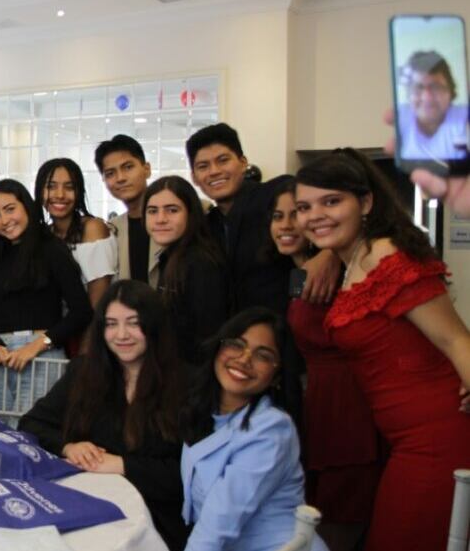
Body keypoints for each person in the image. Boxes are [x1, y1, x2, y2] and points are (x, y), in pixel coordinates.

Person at [295, 149, 470, 551]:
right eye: (305, 207)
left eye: (332, 201)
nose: (314, 215)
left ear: (367, 202)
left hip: (435, 435)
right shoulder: (351, 257)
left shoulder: (385, 254)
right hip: (402, 437)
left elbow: (455, 339)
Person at [20, 280, 187, 550]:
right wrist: (69, 446)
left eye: (134, 322)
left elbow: (190, 476)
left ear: (154, 324)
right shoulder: (84, 372)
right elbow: (30, 424)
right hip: (83, 509)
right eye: (111, 324)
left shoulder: (184, 384)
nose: (122, 334)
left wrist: (123, 465)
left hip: (154, 522)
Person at [268, 179, 381, 551]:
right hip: (313, 405)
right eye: (277, 216)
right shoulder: (294, 273)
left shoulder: (341, 268)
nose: (286, 225)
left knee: (336, 527)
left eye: (294, 214)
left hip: (347, 411)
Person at [180, 308, 325, 551]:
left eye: (263, 355)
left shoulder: (272, 429)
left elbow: (220, 518)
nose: (245, 359)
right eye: (237, 344)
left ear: (276, 375)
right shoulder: (206, 412)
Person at [186, 123, 338, 313]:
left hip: (291, 324)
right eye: (203, 166)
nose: (214, 171)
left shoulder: (279, 194)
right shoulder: (206, 226)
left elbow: (335, 217)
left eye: (223, 160)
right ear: (194, 177)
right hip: (238, 334)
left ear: (243, 163)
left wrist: (330, 254)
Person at [0, 179, 91, 417]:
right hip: (1, 362)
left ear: (27, 207)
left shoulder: (52, 249)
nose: (4, 220)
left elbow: (82, 311)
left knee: (28, 437)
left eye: (10, 209)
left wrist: (37, 346)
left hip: (41, 356)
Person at [143, 176, 228, 365]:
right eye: (152, 211)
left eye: (172, 210)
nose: (161, 219)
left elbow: (207, 336)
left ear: (191, 214)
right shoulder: (172, 257)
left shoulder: (200, 262)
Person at [34, 158, 116, 335]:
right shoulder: (45, 235)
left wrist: (86, 354)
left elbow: (98, 306)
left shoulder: (93, 229)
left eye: (69, 187)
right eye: (51, 187)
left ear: (79, 192)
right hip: (60, 333)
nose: (60, 194)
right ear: (40, 192)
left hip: (92, 335)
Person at [95, 134, 156, 283]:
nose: (120, 178)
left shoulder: (180, 216)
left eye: (128, 167)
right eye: (110, 173)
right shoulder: (112, 230)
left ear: (146, 169)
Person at [397, 50, 468, 161]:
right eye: (418, 87)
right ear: (408, 94)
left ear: (450, 91)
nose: (427, 97)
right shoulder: (401, 117)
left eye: (436, 87)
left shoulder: (464, 117)